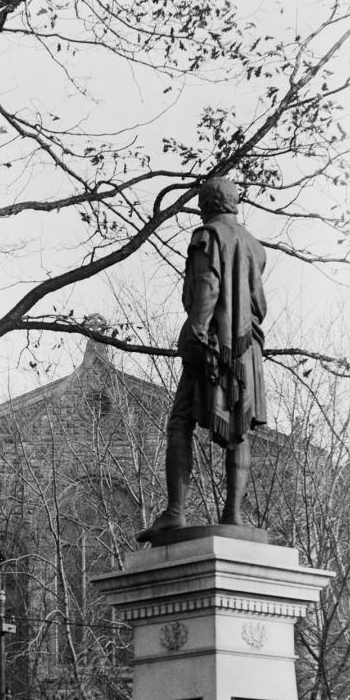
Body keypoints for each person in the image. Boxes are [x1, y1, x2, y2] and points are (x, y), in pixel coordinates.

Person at [137, 177, 267, 543]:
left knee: (180, 420)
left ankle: (175, 512)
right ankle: (233, 514)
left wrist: (194, 331)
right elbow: (258, 305)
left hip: (211, 343)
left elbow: (207, 287)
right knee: (238, 428)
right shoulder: (256, 247)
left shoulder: (206, 236)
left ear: (205, 204)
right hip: (247, 348)